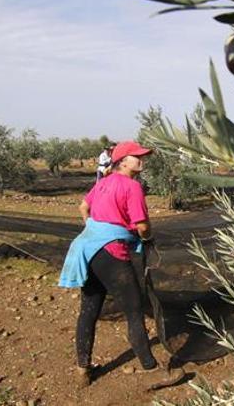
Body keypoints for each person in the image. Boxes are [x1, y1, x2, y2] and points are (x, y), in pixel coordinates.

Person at [59, 141, 178, 388]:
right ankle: (152, 370)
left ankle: (82, 370)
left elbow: (84, 207)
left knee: (88, 311)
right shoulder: (132, 186)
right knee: (134, 310)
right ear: (123, 161)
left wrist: (94, 228)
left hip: (87, 250)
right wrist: (147, 239)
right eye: (137, 156)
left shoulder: (102, 183)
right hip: (111, 254)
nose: (142, 160)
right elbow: (143, 226)